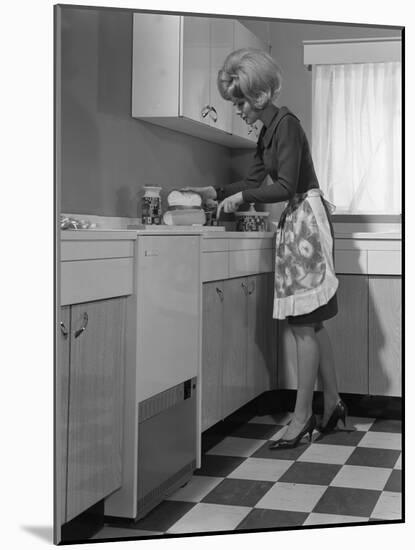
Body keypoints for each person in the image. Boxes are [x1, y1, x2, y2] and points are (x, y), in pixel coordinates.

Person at [185, 48, 347, 449]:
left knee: (302, 325)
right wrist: (216, 192)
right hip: (299, 223)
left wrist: (242, 200)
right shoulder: (268, 131)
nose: (237, 108)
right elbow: (254, 178)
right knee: (313, 322)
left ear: (258, 95)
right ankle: (333, 403)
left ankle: (302, 415)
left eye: (240, 100)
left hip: (306, 221)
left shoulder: (286, 125)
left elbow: (286, 186)